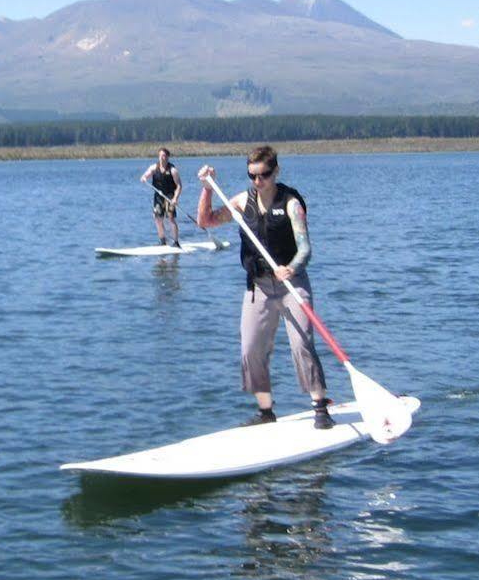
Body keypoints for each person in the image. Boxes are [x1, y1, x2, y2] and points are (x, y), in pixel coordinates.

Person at [195, 144, 333, 429]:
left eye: (265, 175)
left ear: (276, 171)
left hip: (292, 283)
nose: (259, 181)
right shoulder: (241, 202)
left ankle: (320, 407)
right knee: (250, 349)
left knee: (302, 345)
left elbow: (306, 248)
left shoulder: (291, 203)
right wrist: (207, 188)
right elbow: (205, 221)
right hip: (258, 287)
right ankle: (266, 411)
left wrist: (291, 267)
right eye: (253, 175)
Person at [139, 146, 184, 247]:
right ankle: (162, 240)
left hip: (170, 196)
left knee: (171, 218)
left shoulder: (173, 170)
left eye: (163, 156)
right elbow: (146, 174)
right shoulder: (154, 168)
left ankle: (176, 242)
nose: (161, 158)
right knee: (158, 218)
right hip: (158, 196)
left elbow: (179, 186)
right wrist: (144, 177)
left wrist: (175, 198)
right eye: (160, 156)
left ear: (167, 157)